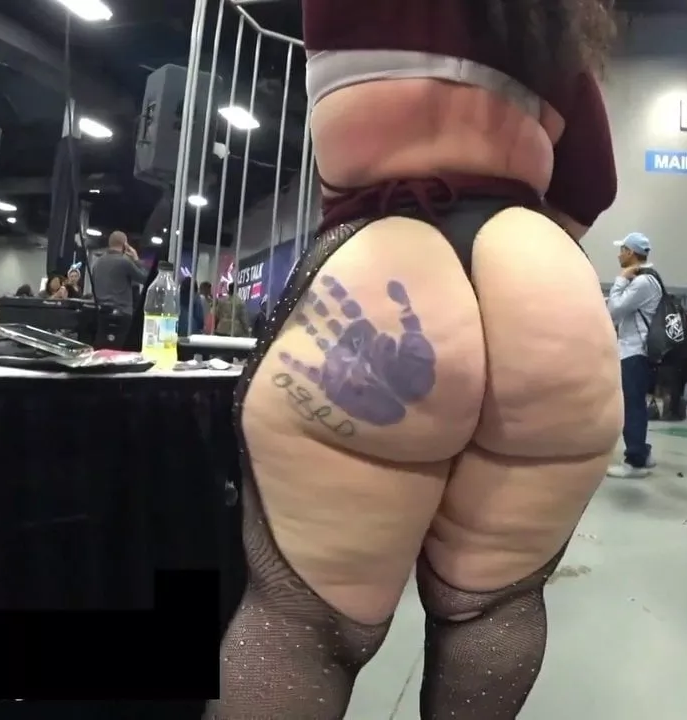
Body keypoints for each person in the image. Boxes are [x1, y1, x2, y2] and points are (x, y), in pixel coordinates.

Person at [210, 2, 621, 717]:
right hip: (545, 293)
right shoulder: (550, 24)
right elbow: (593, 185)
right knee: (496, 607)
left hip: (382, 277)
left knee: (302, 627)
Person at [605, 232, 662, 478]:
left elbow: (614, 311)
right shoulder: (647, 279)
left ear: (630, 252)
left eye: (622, 250)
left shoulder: (642, 282)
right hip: (636, 351)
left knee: (631, 407)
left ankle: (635, 461)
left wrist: (619, 280)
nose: (619, 255)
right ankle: (643, 452)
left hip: (634, 352)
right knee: (634, 404)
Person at [90, 231, 147, 350]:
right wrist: (136, 259)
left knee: (102, 347)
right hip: (122, 313)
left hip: (102, 313)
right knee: (121, 350)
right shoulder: (125, 262)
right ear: (125, 245)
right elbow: (145, 279)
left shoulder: (97, 263)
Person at [657, 294, 687, 421]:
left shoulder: (682, 329)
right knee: (684, 389)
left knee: (683, 389)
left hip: (686, 364)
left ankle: (685, 410)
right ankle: (684, 410)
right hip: (686, 364)